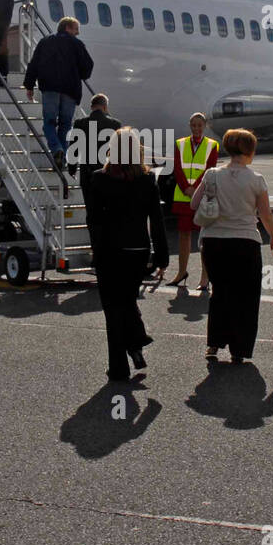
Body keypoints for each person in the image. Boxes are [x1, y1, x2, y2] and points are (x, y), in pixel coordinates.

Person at [84, 127, 169, 381]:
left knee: (113, 309)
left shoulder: (98, 178)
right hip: (137, 250)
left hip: (110, 250)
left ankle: (120, 365)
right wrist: (161, 255)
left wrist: (96, 251)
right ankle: (135, 342)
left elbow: (94, 220)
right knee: (127, 301)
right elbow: (157, 219)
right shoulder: (147, 180)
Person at [190, 128, 273, 363]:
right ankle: (240, 348)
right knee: (246, 297)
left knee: (220, 293)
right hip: (245, 241)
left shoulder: (212, 174)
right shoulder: (256, 179)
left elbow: (193, 203)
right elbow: (265, 214)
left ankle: (214, 343)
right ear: (249, 150)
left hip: (214, 241)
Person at [23, 16, 94, 170]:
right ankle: (62, 156)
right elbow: (88, 66)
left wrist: (29, 85)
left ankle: (57, 150)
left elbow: (33, 64)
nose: (77, 33)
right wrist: (79, 74)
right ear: (67, 28)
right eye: (76, 30)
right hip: (70, 90)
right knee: (65, 125)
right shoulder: (77, 44)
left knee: (49, 123)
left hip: (50, 89)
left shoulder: (45, 42)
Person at [169, 113, 218, 289]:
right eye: (194, 125)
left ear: (204, 126)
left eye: (199, 125)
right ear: (190, 125)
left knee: (203, 238)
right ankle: (181, 272)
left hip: (201, 197)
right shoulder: (179, 144)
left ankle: (205, 278)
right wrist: (186, 189)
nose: (196, 129)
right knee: (183, 235)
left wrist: (195, 189)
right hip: (183, 197)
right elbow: (177, 168)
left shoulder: (212, 145)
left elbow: (209, 169)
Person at [69, 92, 121, 202]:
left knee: (90, 208)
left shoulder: (80, 123)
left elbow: (74, 149)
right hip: (108, 173)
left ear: (91, 107)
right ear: (105, 107)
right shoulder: (115, 124)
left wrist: (72, 169)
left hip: (87, 173)